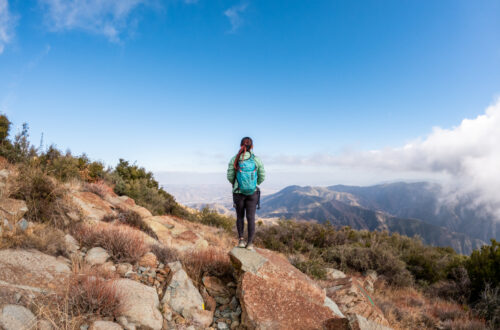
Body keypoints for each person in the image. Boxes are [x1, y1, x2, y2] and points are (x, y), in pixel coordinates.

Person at [227, 137, 265, 250]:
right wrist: (253, 184)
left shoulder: (235, 159)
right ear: (252, 146)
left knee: (240, 216)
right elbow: (262, 175)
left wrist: (237, 184)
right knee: (251, 218)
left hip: (238, 193)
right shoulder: (256, 160)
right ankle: (250, 244)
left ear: (240, 145)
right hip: (252, 193)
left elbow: (229, 176)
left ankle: (241, 241)